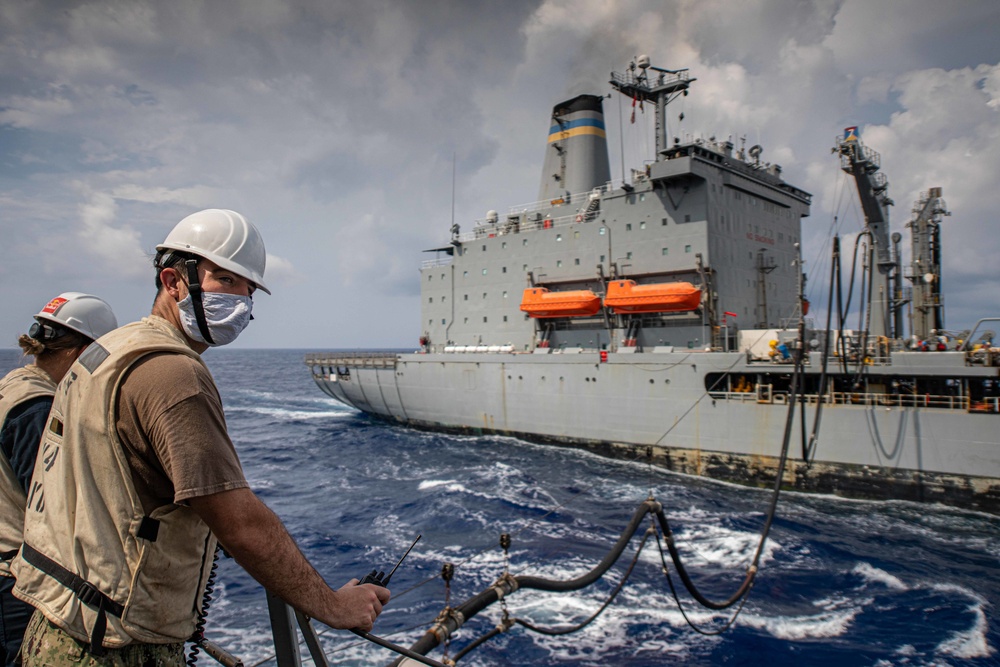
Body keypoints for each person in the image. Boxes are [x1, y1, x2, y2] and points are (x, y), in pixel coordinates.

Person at [11, 209, 390, 666]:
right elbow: (240, 522)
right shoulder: (174, 374)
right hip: (113, 647)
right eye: (226, 281)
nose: (242, 299)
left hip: (57, 623)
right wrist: (332, 604)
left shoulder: (108, 349)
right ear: (173, 281)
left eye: (248, 289)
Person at [0, 293, 118, 667]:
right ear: (81, 352)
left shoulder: (15, 386)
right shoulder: (36, 410)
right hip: (17, 582)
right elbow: (56, 503)